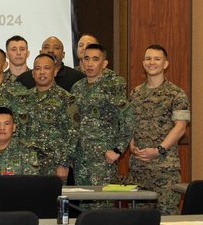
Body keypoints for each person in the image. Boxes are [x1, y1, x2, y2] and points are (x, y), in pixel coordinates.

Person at [128, 45, 189, 214]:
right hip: (139, 169)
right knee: (140, 221)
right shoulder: (136, 93)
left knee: (167, 219)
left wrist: (158, 150)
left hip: (164, 169)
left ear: (165, 64)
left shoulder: (176, 94)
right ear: (143, 62)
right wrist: (131, 145)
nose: (151, 62)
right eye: (148, 58)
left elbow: (181, 127)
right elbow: (130, 123)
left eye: (157, 59)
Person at [72, 43, 133, 186]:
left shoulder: (112, 86)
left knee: (102, 204)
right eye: (86, 59)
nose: (89, 63)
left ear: (104, 63)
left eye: (95, 59)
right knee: (83, 203)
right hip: (81, 158)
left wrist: (118, 149)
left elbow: (128, 119)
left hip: (103, 158)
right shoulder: (77, 87)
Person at [21, 53, 79, 179]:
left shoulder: (67, 99)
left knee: (51, 198)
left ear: (55, 72)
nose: (42, 72)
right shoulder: (23, 99)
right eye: (37, 68)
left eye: (47, 68)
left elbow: (73, 134)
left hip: (53, 165)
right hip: (26, 164)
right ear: (32, 73)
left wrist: (64, 164)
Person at [15, 36, 85, 91]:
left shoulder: (78, 79)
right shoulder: (23, 80)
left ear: (63, 54)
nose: (50, 50)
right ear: (40, 52)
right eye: (46, 47)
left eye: (56, 48)